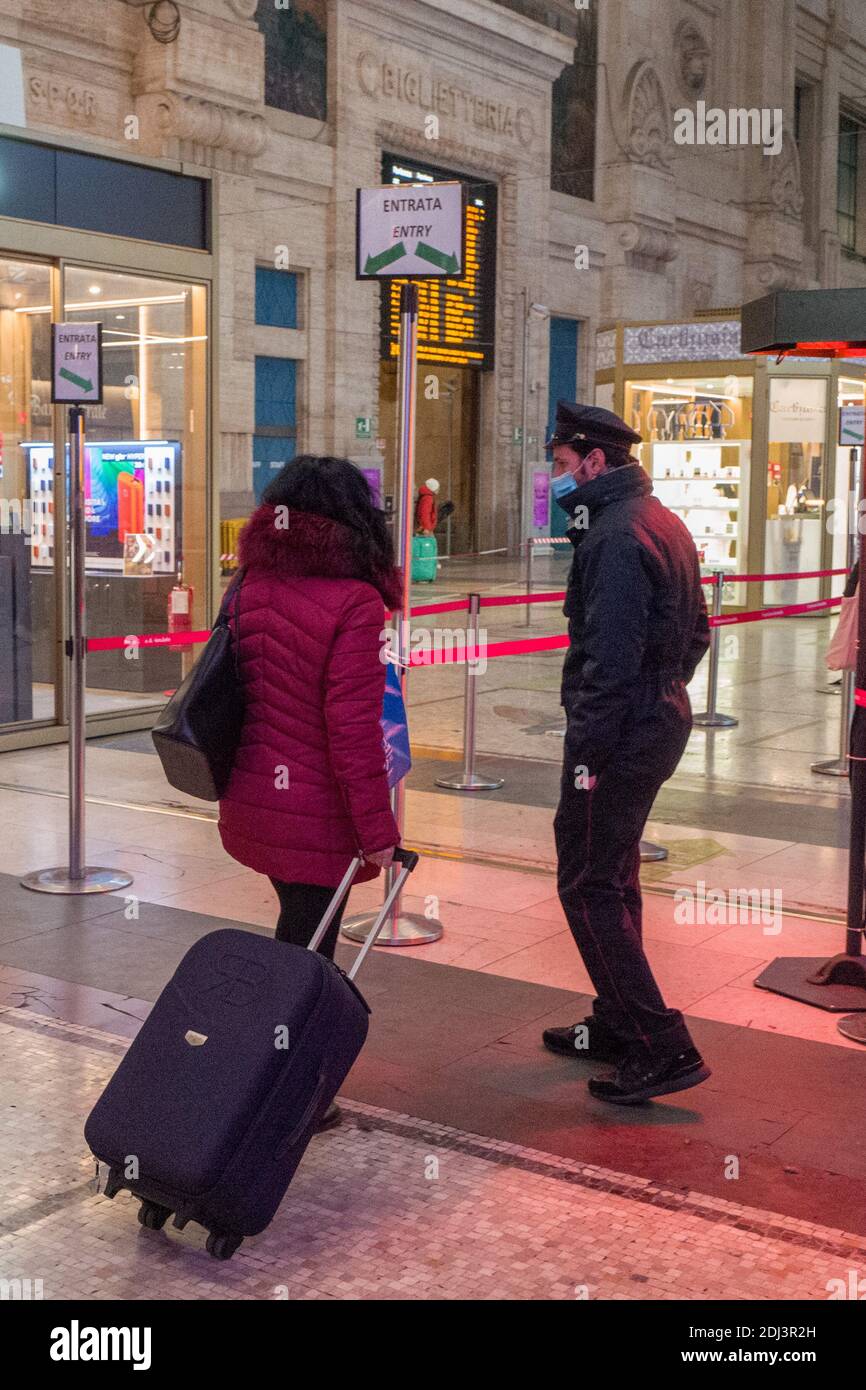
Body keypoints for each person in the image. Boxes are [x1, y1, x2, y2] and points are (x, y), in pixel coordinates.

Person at [218, 456, 402, 1129]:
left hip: (253, 803)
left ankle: (272, 1080)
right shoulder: (353, 603)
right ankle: (283, 1095)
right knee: (305, 959)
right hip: (318, 817)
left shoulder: (247, 585)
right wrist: (378, 835)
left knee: (298, 938)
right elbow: (353, 733)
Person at [542, 402, 712, 1104]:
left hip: (621, 729)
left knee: (586, 881)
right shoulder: (659, 519)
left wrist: (588, 748)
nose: (554, 479)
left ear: (593, 460)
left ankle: (658, 1043)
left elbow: (608, 665)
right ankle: (616, 1021)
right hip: (657, 716)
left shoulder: (613, 535)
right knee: (613, 873)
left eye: (559, 464)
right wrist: (663, 693)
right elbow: (699, 632)